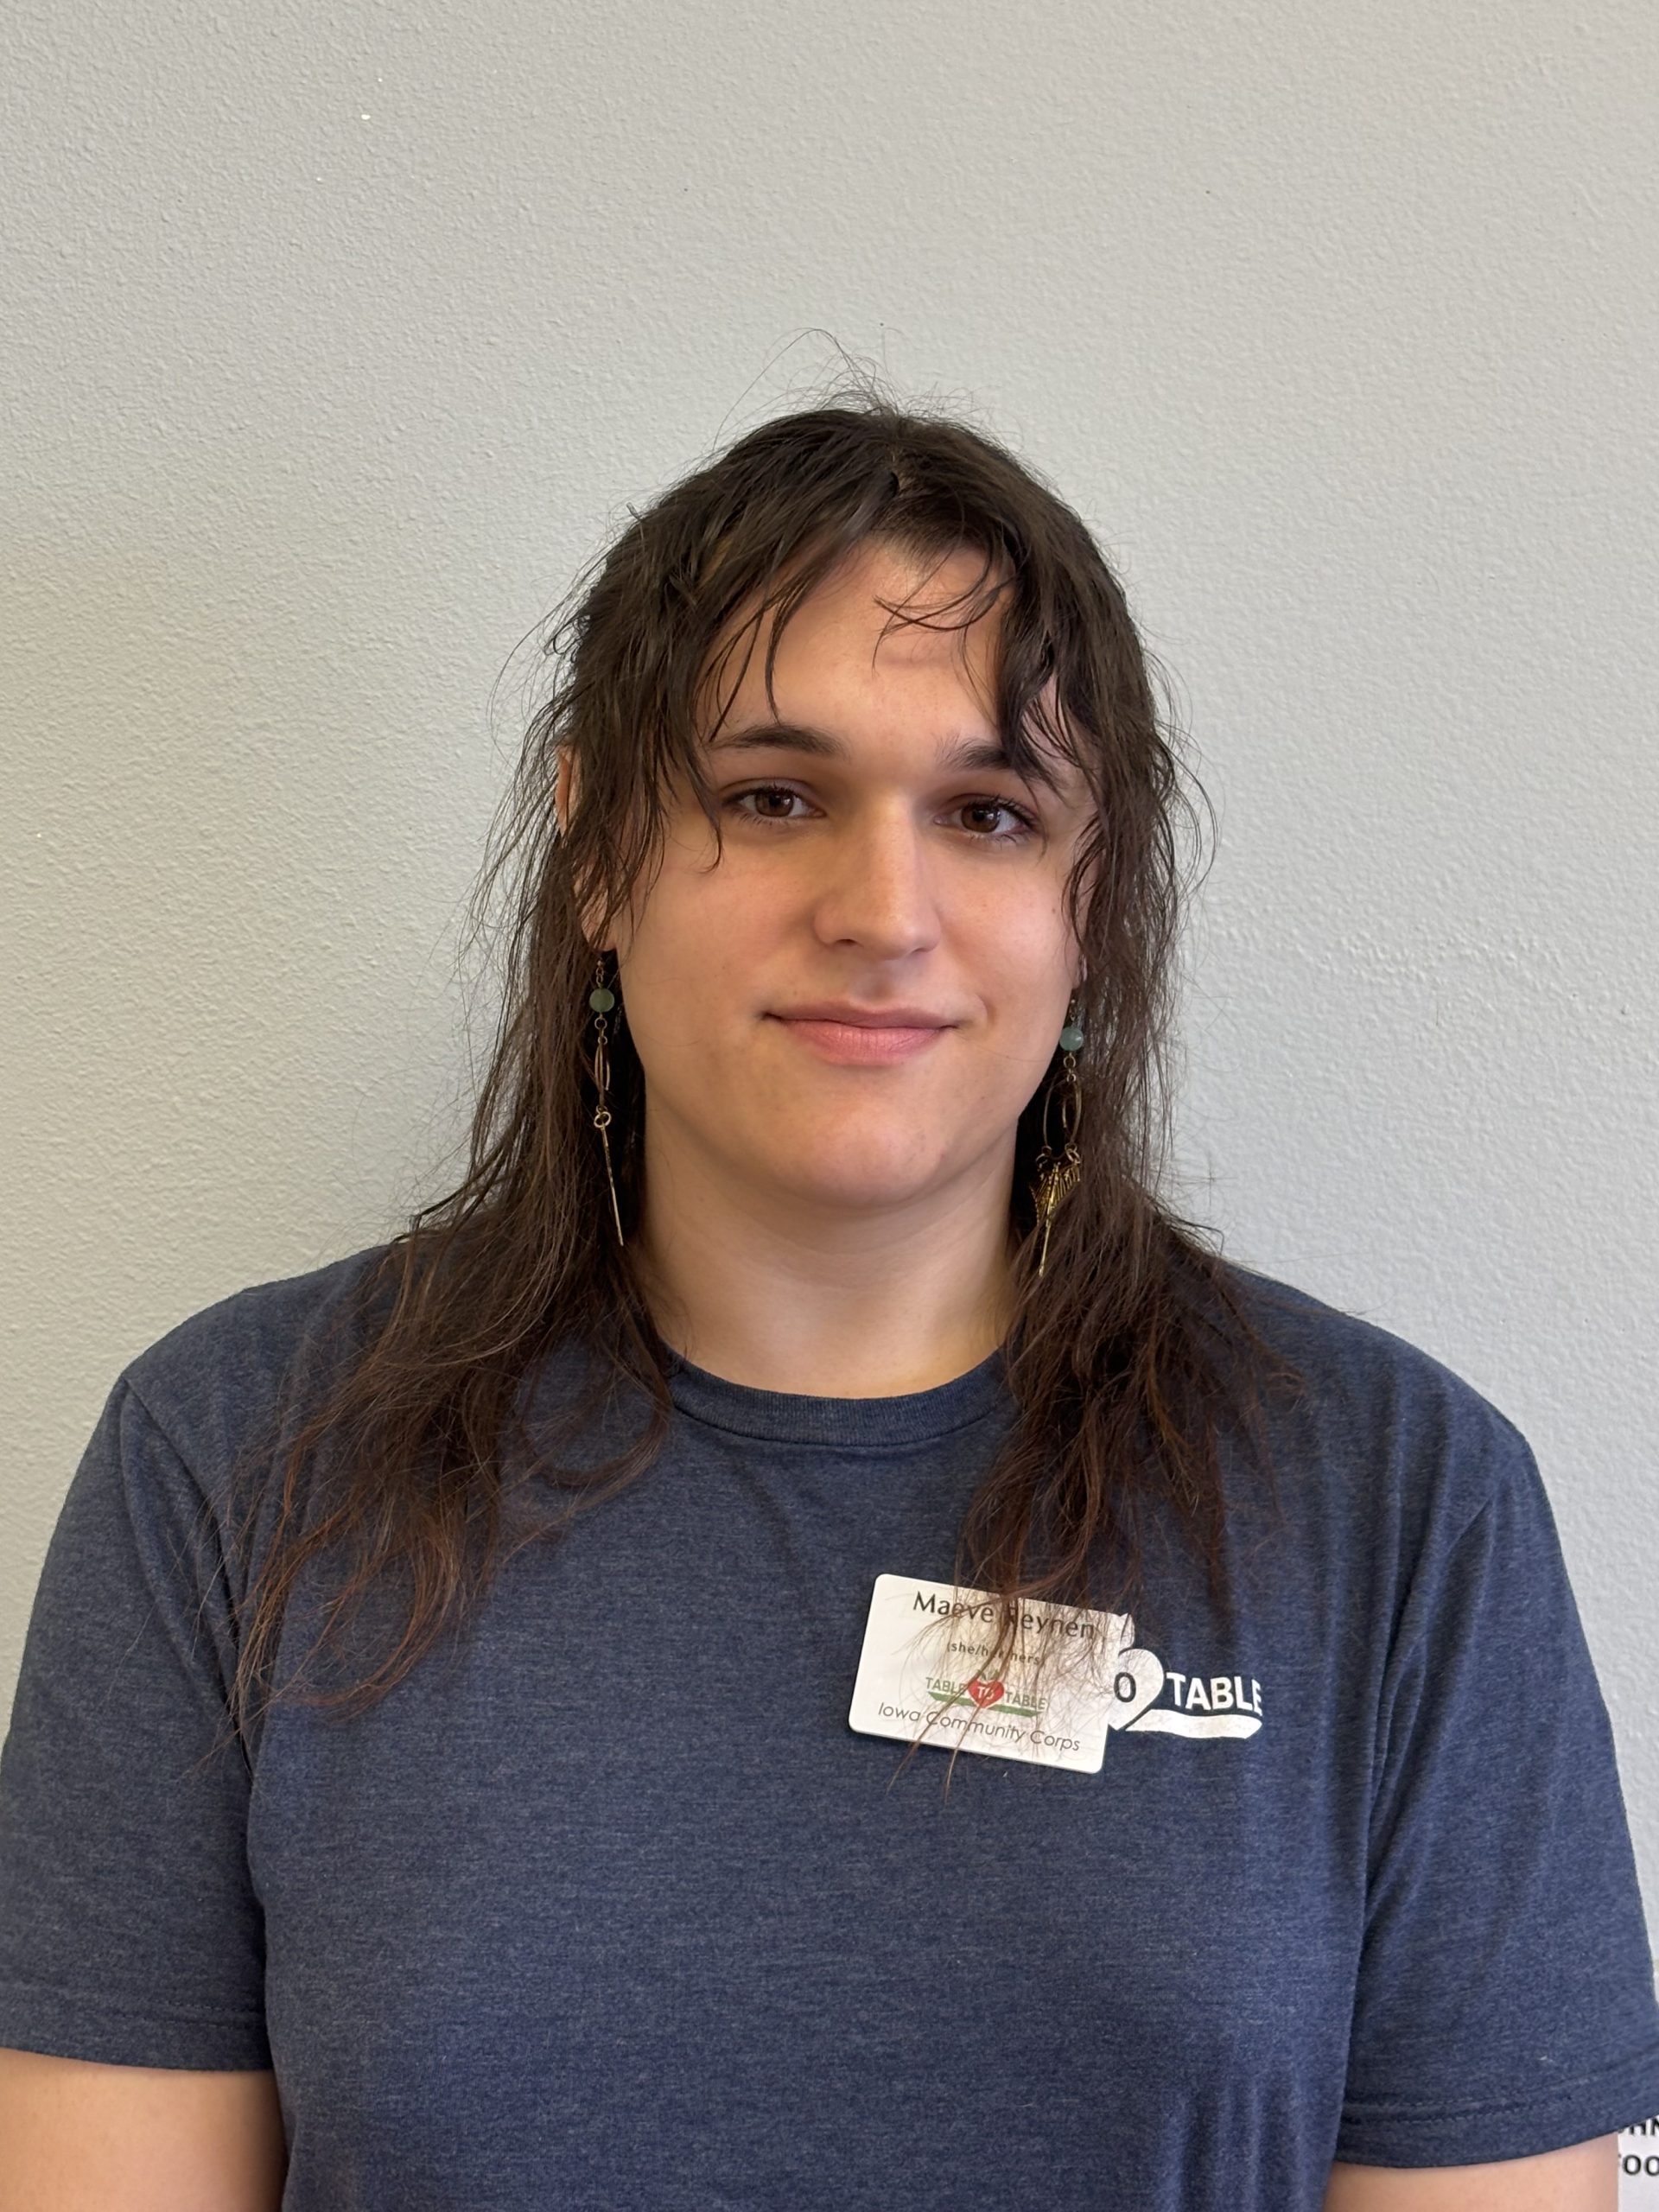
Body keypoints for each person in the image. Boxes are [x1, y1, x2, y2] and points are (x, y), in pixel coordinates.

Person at [1, 387, 1656, 2212]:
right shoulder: (235, 1455)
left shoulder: (1400, 1501)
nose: (886, 903)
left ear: (1090, 901)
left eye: (991, 810)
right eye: (773, 795)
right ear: (596, 847)